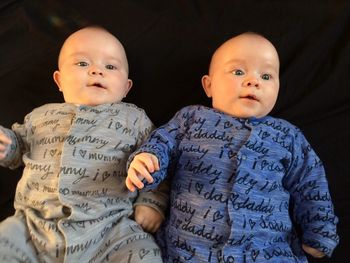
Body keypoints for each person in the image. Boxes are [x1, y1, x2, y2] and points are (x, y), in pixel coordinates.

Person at [126, 32, 339, 262]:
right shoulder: (191, 119)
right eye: (238, 72)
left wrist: (319, 230)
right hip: (189, 249)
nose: (253, 81)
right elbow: (162, 143)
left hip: (267, 251)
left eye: (266, 76)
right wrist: (147, 161)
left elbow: (311, 182)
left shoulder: (287, 135)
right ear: (209, 85)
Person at [0, 26, 166, 263]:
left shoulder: (134, 120)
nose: (97, 71)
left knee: (144, 254)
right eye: (82, 64)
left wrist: (152, 203)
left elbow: (158, 163)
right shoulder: (39, 116)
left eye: (110, 67)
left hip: (108, 231)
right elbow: (18, 149)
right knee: (4, 240)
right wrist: (7, 147)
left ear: (126, 87)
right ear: (59, 80)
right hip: (34, 226)